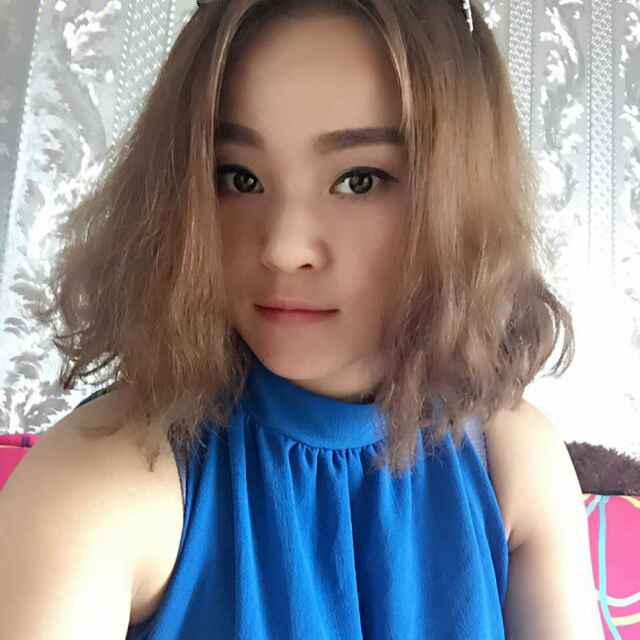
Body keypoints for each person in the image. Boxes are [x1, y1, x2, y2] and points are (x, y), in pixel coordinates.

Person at [0, 0, 604, 638]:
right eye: (238, 177)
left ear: (461, 197)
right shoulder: (100, 486)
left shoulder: (512, 462)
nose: (284, 249)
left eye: (360, 180)